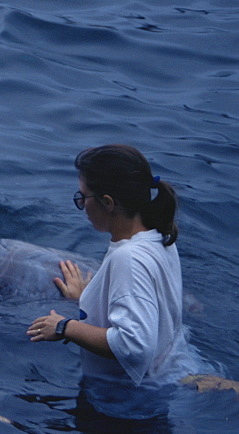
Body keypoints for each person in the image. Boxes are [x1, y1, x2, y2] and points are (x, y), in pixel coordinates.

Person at [27, 144, 197, 412]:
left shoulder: (126, 258)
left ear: (107, 203)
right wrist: (88, 300)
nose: (81, 205)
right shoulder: (160, 238)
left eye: (83, 197)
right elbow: (149, 310)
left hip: (127, 401)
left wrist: (63, 327)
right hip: (167, 374)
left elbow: (134, 346)